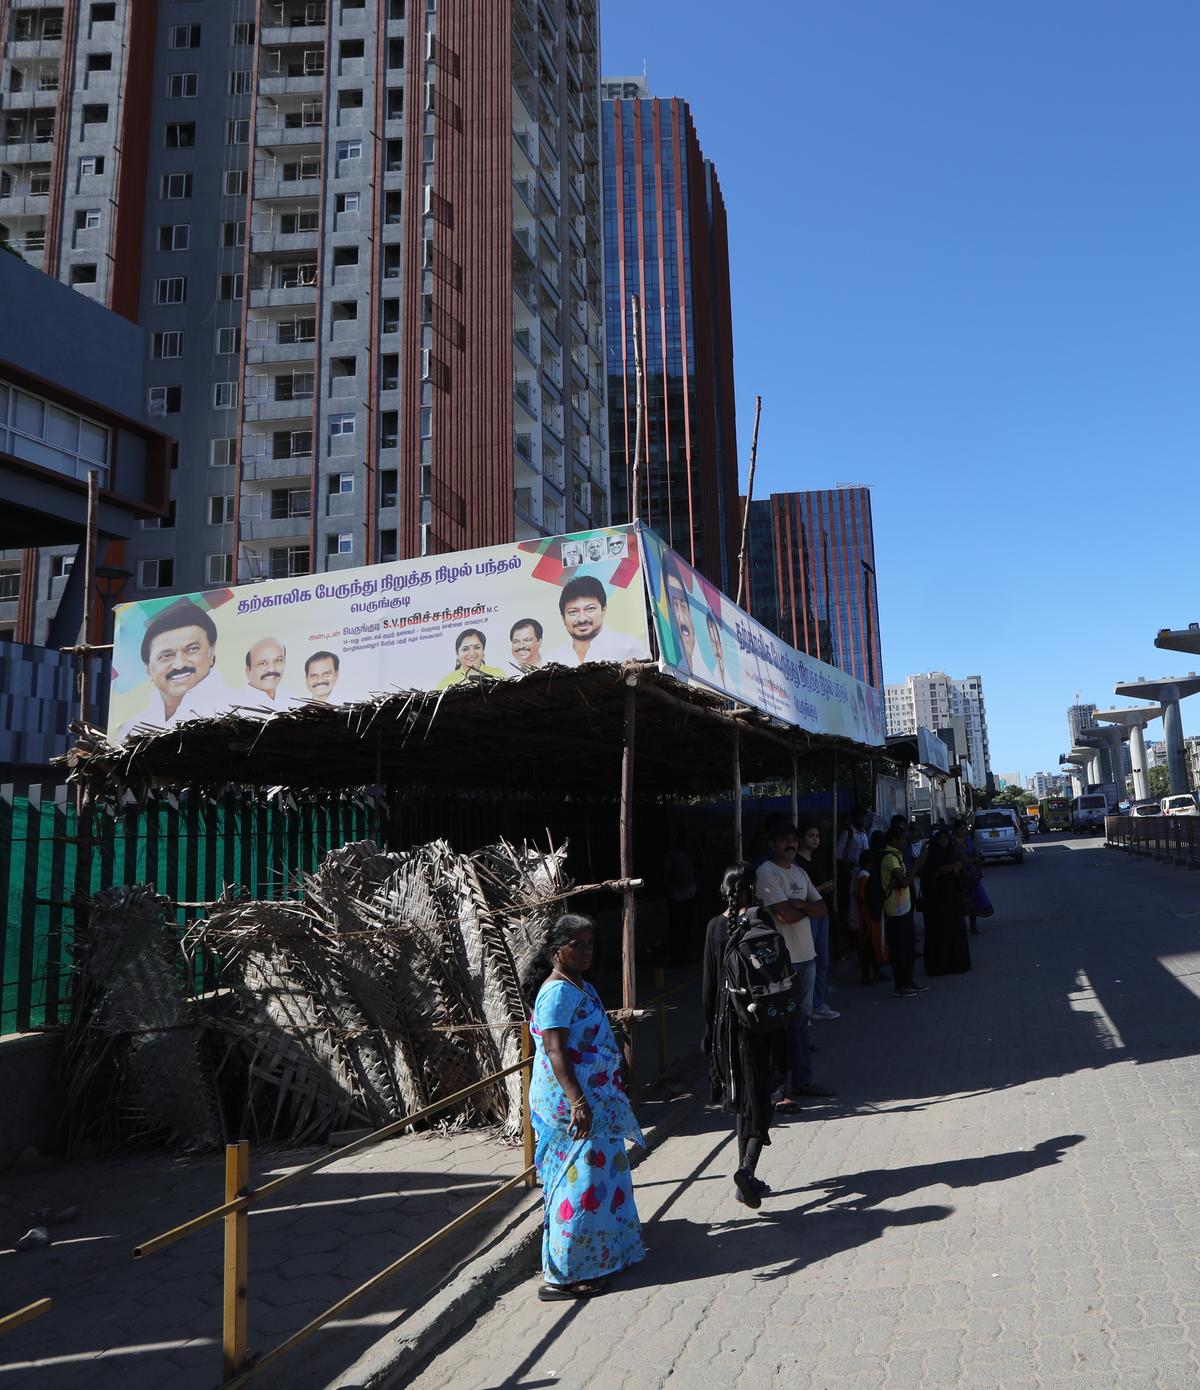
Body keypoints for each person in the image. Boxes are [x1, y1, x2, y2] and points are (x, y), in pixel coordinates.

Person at [529, 914, 645, 1300]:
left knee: (599, 1180)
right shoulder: (556, 993)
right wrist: (578, 1100)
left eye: (590, 944)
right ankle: (563, 1276)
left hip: (593, 1102)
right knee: (574, 1189)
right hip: (570, 1108)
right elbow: (554, 1049)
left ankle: (602, 1257)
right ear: (555, 951)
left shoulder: (579, 986)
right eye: (576, 945)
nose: (585, 951)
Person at [702, 863, 787, 1209]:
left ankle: (744, 1177)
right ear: (751, 889)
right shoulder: (761, 920)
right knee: (762, 1097)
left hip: (727, 1027)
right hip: (761, 1024)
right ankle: (746, 1170)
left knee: (742, 1098)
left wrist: (709, 1032)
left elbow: (708, 986)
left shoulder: (714, 927)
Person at [755, 818, 836, 1106]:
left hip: (806, 958)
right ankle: (780, 1087)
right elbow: (782, 915)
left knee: (801, 1024)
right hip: (781, 962)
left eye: (793, 839)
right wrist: (804, 908)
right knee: (780, 1025)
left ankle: (802, 1081)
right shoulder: (767, 873)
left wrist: (798, 905)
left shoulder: (800, 873)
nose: (791, 844)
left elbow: (822, 908)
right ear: (772, 844)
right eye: (784, 840)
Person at [117, 599, 237, 738]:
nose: (179, 664)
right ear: (148, 669)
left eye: (192, 649)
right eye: (166, 656)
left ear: (211, 653)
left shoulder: (241, 709)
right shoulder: (132, 728)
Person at [545, 576, 643, 665]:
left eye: (590, 609)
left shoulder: (630, 646)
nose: (582, 619)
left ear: (603, 610)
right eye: (573, 612)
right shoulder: (552, 660)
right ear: (563, 617)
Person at [795, 821, 839, 1020]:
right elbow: (800, 895)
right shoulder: (796, 864)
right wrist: (820, 889)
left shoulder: (815, 860)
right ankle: (807, 1007)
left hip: (822, 913)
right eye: (811, 835)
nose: (815, 839)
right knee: (809, 962)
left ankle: (817, 1003)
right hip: (808, 917)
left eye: (817, 836)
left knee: (822, 960)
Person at [919, 827, 972, 975]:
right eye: (941, 839)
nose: (943, 841)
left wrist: (957, 869)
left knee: (955, 932)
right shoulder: (930, 857)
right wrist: (938, 873)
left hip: (952, 901)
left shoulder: (951, 854)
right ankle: (940, 965)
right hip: (936, 903)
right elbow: (925, 879)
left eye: (946, 838)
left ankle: (957, 963)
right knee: (938, 934)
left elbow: (962, 881)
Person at [881, 823, 926, 997]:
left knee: (907, 948)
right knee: (900, 950)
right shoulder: (890, 858)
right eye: (903, 839)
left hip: (903, 908)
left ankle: (908, 981)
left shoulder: (896, 856)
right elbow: (905, 882)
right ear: (894, 839)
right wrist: (918, 864)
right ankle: (901, 985)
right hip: (895, 910)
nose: (906, 842)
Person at [855, 834, 889, 984]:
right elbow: (863, 896)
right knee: (869, 945)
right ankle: (867, 974)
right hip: (868, 915)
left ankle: (875, 972)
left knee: (874, 944)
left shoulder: (866, 875)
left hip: (872, 913)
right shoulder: (864, 876)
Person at [836, 806, 871, 950]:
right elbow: (838, 855)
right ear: (854, 818)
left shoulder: (863, 834)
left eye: (864, 817)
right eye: (860, 817)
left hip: (863, 874)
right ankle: (852, 938)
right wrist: (847, 865)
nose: (862, 820)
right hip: (851, 876)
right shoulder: (848, 833)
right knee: (852, 907)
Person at [663, 833, 699, 966]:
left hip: (689, 893)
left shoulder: (686, 854)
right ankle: (676, 957)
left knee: (685, 927)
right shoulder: (671, 855)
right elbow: (667, 875)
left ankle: (684, 955)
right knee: (677, 928)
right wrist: (668, 893)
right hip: (677, 896)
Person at [242, 637, 301, 714]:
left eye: (278, 660)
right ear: (248, 670)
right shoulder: (237, 705)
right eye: (263, 663)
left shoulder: (294, 701)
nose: (271, 669)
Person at [952, 819, 991, 934]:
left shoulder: (968, 841)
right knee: (960, 903)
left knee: (973, 901)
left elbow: (976, 855)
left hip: (971, 875)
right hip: (958, 876)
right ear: (956, 830)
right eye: (960, 830)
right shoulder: (951, 842)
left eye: (964, 829)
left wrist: (974, 860)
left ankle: (973, 927)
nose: (963, 832)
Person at [436, 628, 506, 687]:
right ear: (457, 654)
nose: (471, 653)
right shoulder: (447, 682)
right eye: (465, 649)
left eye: (477, 647)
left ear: (483, 651)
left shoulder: (497, 674)